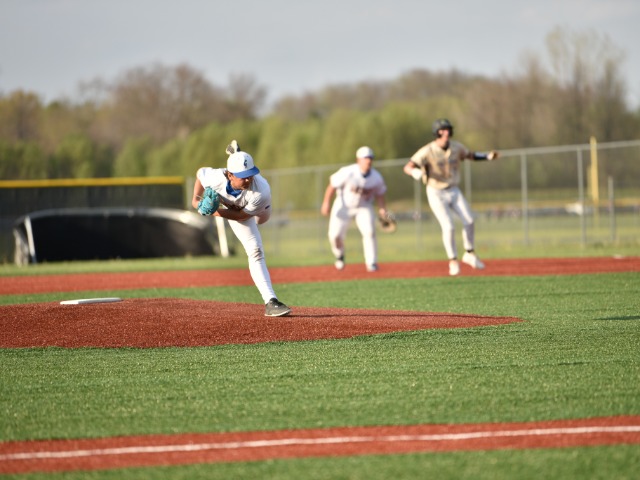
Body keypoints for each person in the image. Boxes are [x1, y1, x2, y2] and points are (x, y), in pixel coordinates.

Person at [191, 140, 291, 316]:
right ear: (230, 175)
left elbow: (242, 216)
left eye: (250, 174)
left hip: (259, 209)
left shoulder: (261, 190)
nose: (248, 179)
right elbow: (200, 173)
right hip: (235, 208)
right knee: (255, 251)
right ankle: (271, 301)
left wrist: (214, 211)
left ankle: (237, 154)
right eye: (243, 175)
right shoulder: (215, 178)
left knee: (261, 221)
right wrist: (195, 200)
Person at [403, 118, 499, 276]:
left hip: (453, 188)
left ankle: (469, 253)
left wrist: (487, 156)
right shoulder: (428, 150)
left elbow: (470, 155)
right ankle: (453, 261)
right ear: (437, 132)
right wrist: (416, 172)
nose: (447, 132)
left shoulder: (456, 147)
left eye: (448, 129)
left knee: (469, 220)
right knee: (448, 226)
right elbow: (408, 166)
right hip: (435, 191)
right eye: (443, 129)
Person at [321, 146, 389, 272]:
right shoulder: (348, 172)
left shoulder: (376, 177)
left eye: (370, 158)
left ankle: (371, 262)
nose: (368, 161)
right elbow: (332, 186)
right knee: (334, 235)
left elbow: (380, 194)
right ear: (358, 160)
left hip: (363, 207)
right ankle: (339, 255)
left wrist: (382, 210)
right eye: (365, 158)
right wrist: (326, 203)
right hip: (343, 205)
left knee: (369, 232)